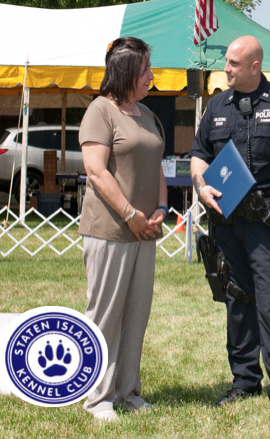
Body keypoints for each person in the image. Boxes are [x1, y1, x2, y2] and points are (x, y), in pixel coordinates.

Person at [189, 36, 270, 418]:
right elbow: (198, 156)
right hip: (226, 221)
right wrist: (201, 186)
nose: (225, 69)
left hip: (267, 222)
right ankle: (244, 381)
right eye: (226, 63)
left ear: (254, 66)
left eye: (232, 63)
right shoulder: (215, 106)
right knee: (237, 300)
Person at [78, 37, 168, 422]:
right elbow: (96, 171)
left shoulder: (147, 114)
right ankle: (97, 397)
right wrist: (130, 213)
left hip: (144, 231)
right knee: (106, 314)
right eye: (146, 69)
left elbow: (157, 165)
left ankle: (128, 390)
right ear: (127, 71)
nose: (151, 76)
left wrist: (161, 207)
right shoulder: (100, 111)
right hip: (110, 230)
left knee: (136, 313)